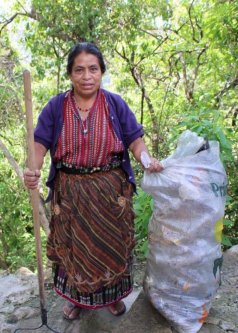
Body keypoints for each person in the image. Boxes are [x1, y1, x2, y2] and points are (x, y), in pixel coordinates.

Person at [24, 42, 163, 321]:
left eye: (93, 69)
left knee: (110, 247)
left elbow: (134, 139)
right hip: (71, 193)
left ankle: (111, 298)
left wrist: (147, 160)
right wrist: (33, 169)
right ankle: (78, 300)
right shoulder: (55, 107)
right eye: (79, 70)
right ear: (70, 74)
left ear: (101, 72)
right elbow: (39, 143)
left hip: (110, 193)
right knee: (74, 249)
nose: (87, 76)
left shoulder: (114, 104)